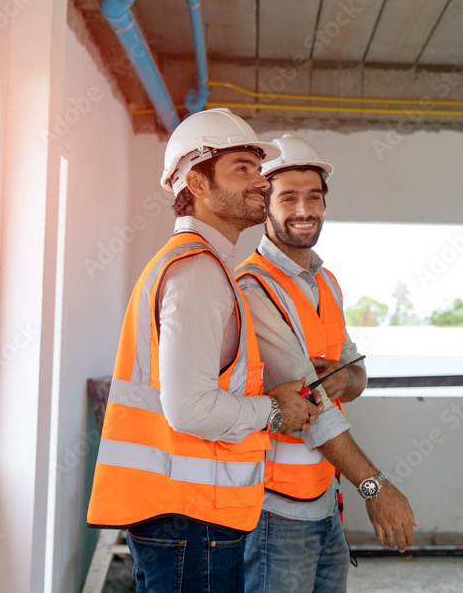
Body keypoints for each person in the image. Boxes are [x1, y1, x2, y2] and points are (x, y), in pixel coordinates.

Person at [87, 109, 320, 593]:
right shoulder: (197, 272)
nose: (261, 181)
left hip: (185, 517)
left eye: (259, 168)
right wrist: (276, 411)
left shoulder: (202, 266)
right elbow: (189, 409)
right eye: (242, 168)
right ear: (196, 180)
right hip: (191, 519)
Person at [236, 134, 418, 593]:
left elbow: (354, 372)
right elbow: (309, 408)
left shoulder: (326, 282)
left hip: (324, 501)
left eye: (313, 197)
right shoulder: (254, 288)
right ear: (264, 205)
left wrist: (345, 379)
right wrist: (374, 487)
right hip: (274, 510)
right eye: (289, 197)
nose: (304, 209)